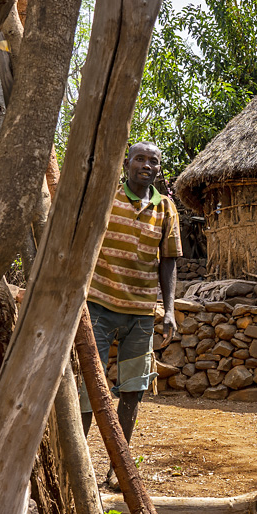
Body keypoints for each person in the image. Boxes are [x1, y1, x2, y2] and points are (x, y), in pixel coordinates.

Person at [84, 141, 180, 485]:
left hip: (140, 313)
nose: (146, 165)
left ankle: (117, 470)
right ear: (127, 164)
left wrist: (169, 310)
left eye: (153, 161)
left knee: (133, 389)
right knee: (86, 386)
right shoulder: (106, 198)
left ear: (158, 169)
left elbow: (168, 261)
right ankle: (79, 469)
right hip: (97, 306)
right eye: (140, 159)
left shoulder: (166, 208)